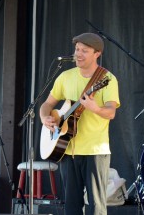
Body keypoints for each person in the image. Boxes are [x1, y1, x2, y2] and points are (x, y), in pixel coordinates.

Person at [39, 32, 120, 215]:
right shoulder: (65, 76)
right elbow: (47, 104)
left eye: (85, 50)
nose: (78, 54)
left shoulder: (107, 79)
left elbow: (111, 112)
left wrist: (94, 107)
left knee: (96, 206)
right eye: (77, 49)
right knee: (71, 206)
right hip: (66, 149)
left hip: (95, 151)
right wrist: (45, 118)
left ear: (97, 54)